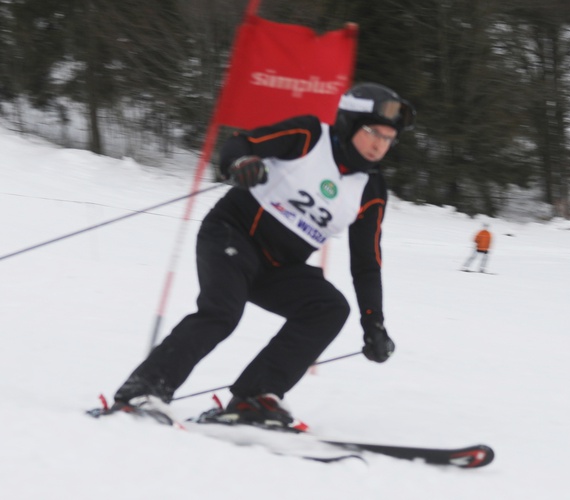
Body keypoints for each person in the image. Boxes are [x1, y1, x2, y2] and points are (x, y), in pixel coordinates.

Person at [113, 83, 416, 428]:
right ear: (350, 122)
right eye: (373, 132)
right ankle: (144, 389)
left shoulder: (371, 189)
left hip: (278, 267)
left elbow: (366, 263)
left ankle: (254, 398)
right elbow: (240, 143)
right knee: (223, 310)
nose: (380, 144)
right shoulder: (309, 135)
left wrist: (373, 323)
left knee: (328, 308)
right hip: (231, 235)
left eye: (389, 138)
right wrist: (241, 162)